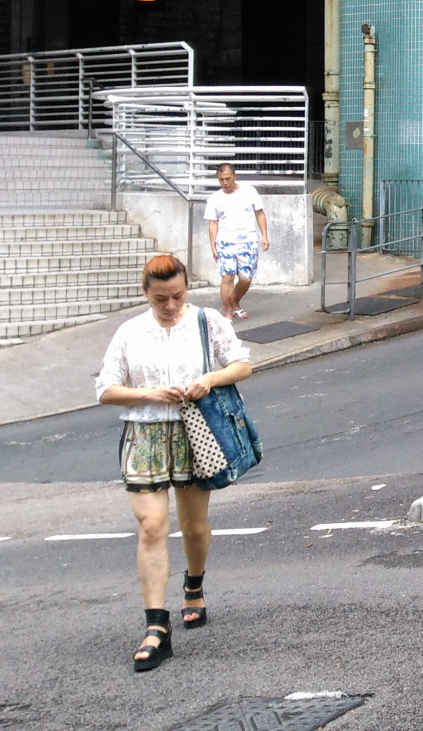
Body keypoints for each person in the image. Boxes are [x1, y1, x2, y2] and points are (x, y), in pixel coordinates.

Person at [93, 253, 253, 673]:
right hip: (144, 437)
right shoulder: (130, 332)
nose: (170, 305)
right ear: (145, 293)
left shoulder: (206, 321)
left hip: (194, 431)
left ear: (186, 289)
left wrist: (209, 379)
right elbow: (105, 389)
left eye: (177, 296)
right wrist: (148, 394)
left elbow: (242, 364)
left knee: (194, 526)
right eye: (160, 298)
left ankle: (193, 586)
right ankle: (156, 627)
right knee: (152, 526)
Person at [203, 164, 268, 320]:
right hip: (225, 241)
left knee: (246, 278)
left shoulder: (249, 191)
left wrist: (264, 235)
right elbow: (213, 223)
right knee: (228, 277)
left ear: (234, 176)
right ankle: (227, 312)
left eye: (228, 179)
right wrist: (213, 244)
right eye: (221, 180)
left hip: (248, 241)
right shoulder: (215, 198)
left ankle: (234, 301)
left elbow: (259, 213)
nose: (225, 183)